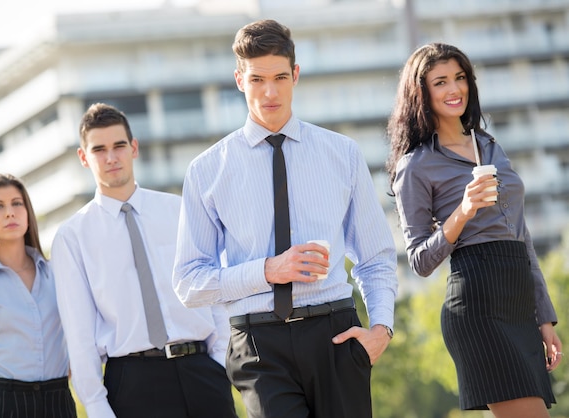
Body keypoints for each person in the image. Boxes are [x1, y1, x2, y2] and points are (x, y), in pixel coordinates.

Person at [173, 19, 398, 418]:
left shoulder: (342, 154)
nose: (270, 92)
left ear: (296, 74)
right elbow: (189, 282)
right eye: (257, 79)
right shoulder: (207, 170)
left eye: (280, 77)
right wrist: (267, 271)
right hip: (258, 343)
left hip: (336, 335)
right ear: (239, 79)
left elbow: (375, 256)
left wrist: (381, 328)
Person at [386, 42, 562, 418]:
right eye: (441, 82)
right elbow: (419, 259)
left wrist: (544, 318)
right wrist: (462, 211)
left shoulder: (488, 145)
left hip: (518, 300)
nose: (454, 90)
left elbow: (522, 236)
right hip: (477, 304)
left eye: (460, 78)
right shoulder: (415, 166)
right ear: (422, 93)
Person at [50, 103, 237, 418]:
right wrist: (97, 406)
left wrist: (220, 363)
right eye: (99, 149)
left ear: (133, 148)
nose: (111, 157)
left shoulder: (178, 211)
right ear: (84, 157)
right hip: (132, 382)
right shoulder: (72, 237)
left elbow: (212, 289)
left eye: (119, 146)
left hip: (202, 371)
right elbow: (79, 333)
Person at [0, 173, 77, 418]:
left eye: (17, 203)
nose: (10, 212)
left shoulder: (57, 275)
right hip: (6, 404)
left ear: (27, 211)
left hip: (59, 400)